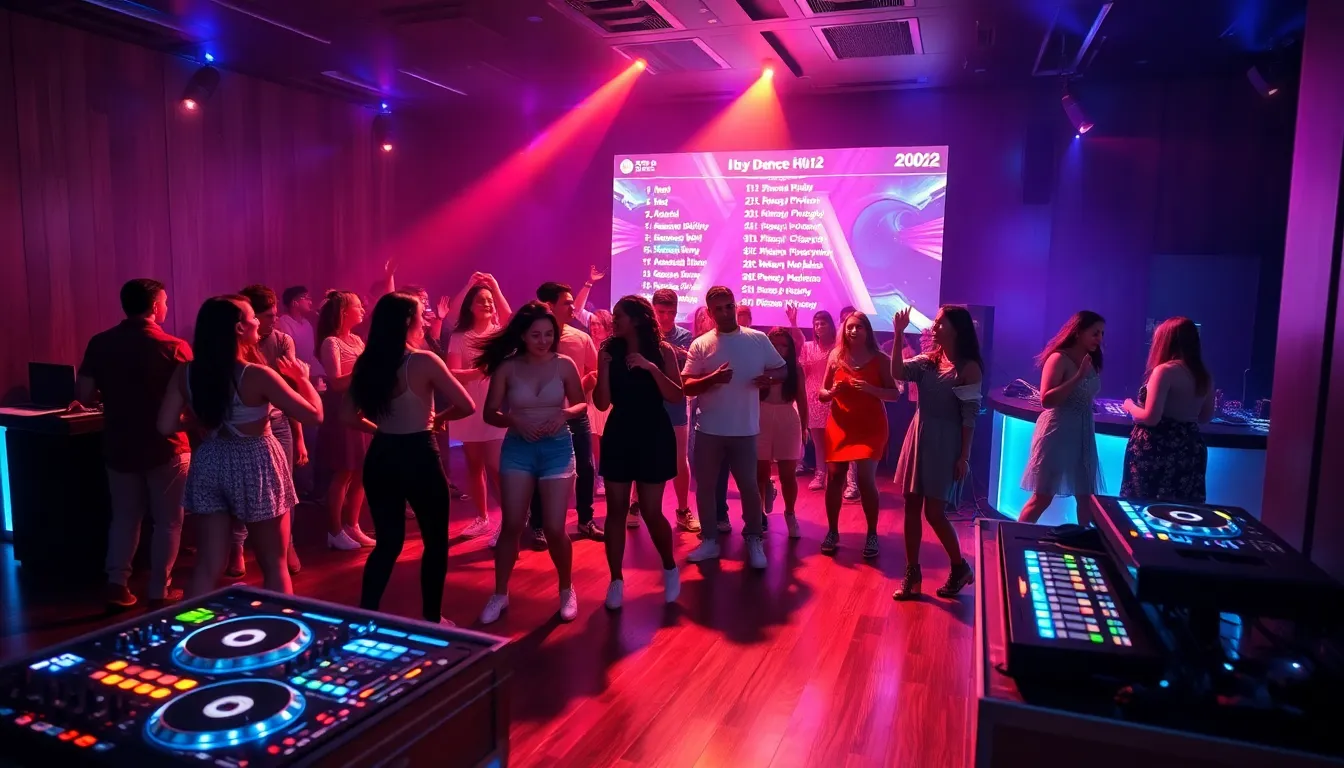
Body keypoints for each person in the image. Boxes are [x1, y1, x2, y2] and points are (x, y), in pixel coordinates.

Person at [158, 296, 322, 596]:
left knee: (207, 565)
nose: (258, 321)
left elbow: (165, 425)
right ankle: (278, 624)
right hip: (255, 459)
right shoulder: (256, 374)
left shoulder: (186, 372)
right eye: (252, 317)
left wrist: (204, 419)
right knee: (274, 563)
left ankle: (193, 623)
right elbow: (314, 415)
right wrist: (302, 379)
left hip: (211, 458)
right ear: (238, 328)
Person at [346, 293, 475, 624]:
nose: (425, 317)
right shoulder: (423, 361)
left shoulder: (367, 362)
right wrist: (438, 419)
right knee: (435, 541)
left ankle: (365, 616)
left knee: (387, 543)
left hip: (382, 454)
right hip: (419, 453)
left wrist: (381, 429)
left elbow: (348, 416)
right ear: (408, 321)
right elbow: (466, 405)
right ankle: (432, 619)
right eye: (421, 313)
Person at [75, 279, 192, 610]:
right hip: (166, 444)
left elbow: (83, 394)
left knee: (125, 517)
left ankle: (117, 584)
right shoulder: (174, 346)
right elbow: (191, 398)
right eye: (165, 302)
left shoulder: (100, 343)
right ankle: (159, 589)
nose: (166, 307)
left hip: (120, 443)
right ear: (155, 306)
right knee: (168, 521)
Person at [476, 302, 588, 624]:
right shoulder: (508, 368)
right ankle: (500, 593)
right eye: (536, 335)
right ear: (523, 335)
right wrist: (515, 420)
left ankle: (566, 589)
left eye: (549, 334)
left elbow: (581, 403)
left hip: (557, 447)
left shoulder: (564, 364)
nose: (543, 340)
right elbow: (490, 413)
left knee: (554, 527)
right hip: (518, 448)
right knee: (512, 524)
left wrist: (564, 414)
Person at [682, 287, 786, 568]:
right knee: (705, 487)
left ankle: (754, 538)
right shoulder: (701, 344)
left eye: (729, 306)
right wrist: (711, 379)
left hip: (745, 428)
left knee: (749, 487)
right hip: (709, 428)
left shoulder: (757, 339)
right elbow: (686, 384)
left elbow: (782, 369)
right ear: (710, 312)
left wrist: (769, 379)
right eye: (719, 309)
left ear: (735, 305)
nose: (726, 312)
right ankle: (710, 540)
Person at [594, 295, 684, 609]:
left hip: (653, 432)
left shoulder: (662, 350)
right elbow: (601, 403)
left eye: (618, 315)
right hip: (619, 430)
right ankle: (616, 579)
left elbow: (676, 395)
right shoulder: (609, 349)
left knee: (650, 510)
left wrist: (651, 368)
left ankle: (669, 567)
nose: (613, 321)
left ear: (635, 319)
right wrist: (604, 369)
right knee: (616, 509)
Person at [891, 305, 981, 600]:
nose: (934, 326)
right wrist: (898, 334)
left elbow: (969, 416)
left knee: (934, 512)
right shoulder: (929, 360)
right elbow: (897, 371)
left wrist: (964, 456)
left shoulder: (968, 367)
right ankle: (912, 573)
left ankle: (959, 566)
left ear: (956, 328)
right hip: (919, 435)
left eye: (940, 322)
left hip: (946, 441)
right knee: (911, 504)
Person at [227, 285, 307, 577]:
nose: (272, 320)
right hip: (239, 425)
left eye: (274, 314)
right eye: (265, 315)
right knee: (239, 488)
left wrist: (299, 438)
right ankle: (237, 548)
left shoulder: (282, 340)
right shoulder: (233, 347)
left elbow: (292, 393)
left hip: (278, 421)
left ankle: (288, 545)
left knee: (284, 487)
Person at [820, 312, 902, 557]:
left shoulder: (881, 359)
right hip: (840, 426)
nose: (853, 331)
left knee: (866, 480)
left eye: (859, 327)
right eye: (850, 327)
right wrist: (831, 392)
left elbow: (894, 394)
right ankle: (832, 531)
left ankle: (872, 533)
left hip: (870, 427)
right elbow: (822, 393)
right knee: (835, 478)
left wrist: (870, 389)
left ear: (868, 331)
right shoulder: (835, 356)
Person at [527, 282, 603, 545]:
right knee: (541, 468)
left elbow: (595, 370)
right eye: (567, 303)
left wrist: (583, 385)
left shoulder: (580, 338)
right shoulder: (532, 338)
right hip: (541, 414)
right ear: (550, 306)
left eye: (573, 302)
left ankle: (586, 520)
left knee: (585, 466)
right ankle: (537, 524)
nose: (573, 307)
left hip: (574, 413)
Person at [1018, 311, 1106, 524]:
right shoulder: (1058, 358)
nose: (1099, 338)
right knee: (1042, 497)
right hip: (1058, 433)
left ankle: (1084, 541)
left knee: (1086, 497)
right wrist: (1078, 377)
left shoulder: (1090, 359)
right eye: (1095, 333)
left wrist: (1089, 402)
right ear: (1078, 332)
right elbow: (1046, 400)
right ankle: (1014, 536)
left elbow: (1084, 393)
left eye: (1102, 334)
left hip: (1083, 433)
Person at [445, 273, 511, 540]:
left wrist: (495, 285)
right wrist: (477, 372)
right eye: (481, 300)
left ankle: (509, 519)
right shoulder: (459, 336)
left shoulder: (499, 335)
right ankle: (482, 517)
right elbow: (452, 372)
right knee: (474, 465)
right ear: (470, 307)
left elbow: (510, 317)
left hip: (495, 406)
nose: (487, 304)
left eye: (489, 300)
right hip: (470, 406)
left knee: (495, 466)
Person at [1121, 317, 1216, 503]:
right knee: (1181, 510)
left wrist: (1130, 406)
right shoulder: (1204, 375)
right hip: (1190, 449)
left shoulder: (1165, 371)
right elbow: (1205, 417)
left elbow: (1152, 417)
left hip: (1157, 450)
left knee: (1145, 507)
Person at [316, 291, 373, 550]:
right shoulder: (331, 342)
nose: (362, 310)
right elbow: (337, 383)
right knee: (344, 471)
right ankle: (334, 530)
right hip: (343, 411)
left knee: (362, 471)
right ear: (343, 312)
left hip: (362, 409)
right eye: (358, 306)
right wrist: (364, 369)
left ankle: (353, 525)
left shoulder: (357, 340)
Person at [758, 328, 808, 539]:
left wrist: (805, 427)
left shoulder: (795, 369)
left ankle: (790, 513)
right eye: (774, 344)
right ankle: (759, 514)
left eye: (783, 345)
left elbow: (802, 399)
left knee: (788, 474)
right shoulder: (759, 365)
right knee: (760, 472)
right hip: (761, 415)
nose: (778, 349)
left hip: (787, 417)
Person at [795, 308, 837, 491]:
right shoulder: (807, 347)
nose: (819, 327)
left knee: (834, 439)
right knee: (818, 440)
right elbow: (803, 372)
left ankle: (837, 475)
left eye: (823, 323)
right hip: (811, 397)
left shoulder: (837, 347)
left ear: (831, 325)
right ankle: (820, 474)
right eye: (816, 324)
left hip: (831, 396)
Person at [586, 310, 614, 497]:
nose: (594, 327)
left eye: (598, 324)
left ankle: (608, 474)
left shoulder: (613, 347)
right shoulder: (587, 343)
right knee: (593, 438)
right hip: (590, 396)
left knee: (608, 439)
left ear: (607, 326)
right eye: (592, 324)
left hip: (608, 397)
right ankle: (598, 477)